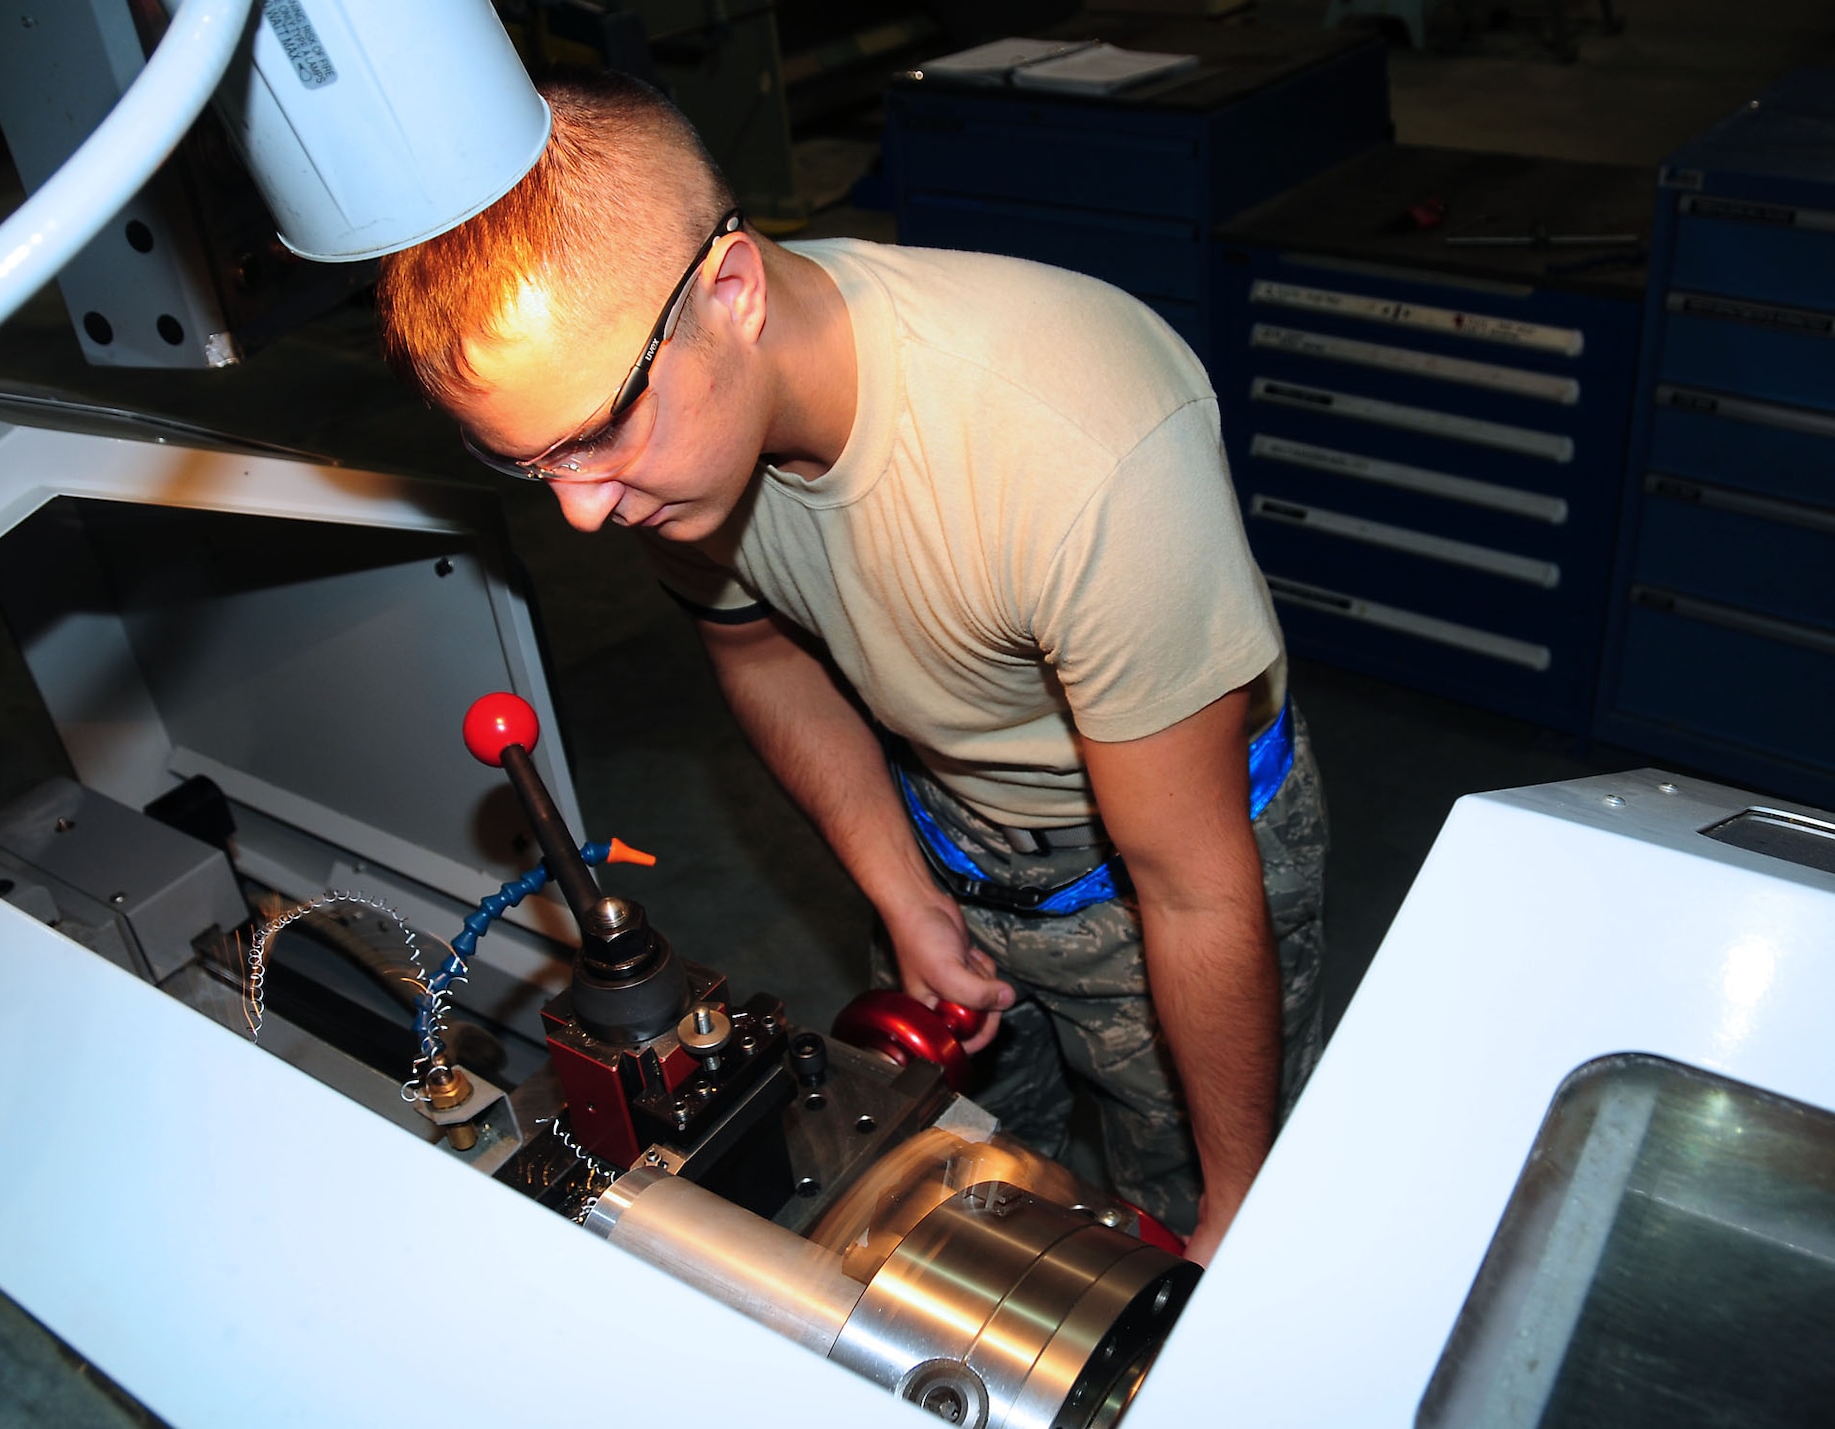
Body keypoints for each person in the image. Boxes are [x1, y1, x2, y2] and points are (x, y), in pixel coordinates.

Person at [378, 72, 1326, 1264]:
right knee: (951, 1184)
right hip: (944, 836)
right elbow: (761, 651)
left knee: (1176, 1226)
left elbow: (1191, 886)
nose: (577, 512)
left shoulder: (1076, 447)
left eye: (595, 433)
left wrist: (1235, 1212)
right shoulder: (675, 449)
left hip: (1168, 879)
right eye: (530, 462)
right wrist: (902, 892)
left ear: (731, 290)